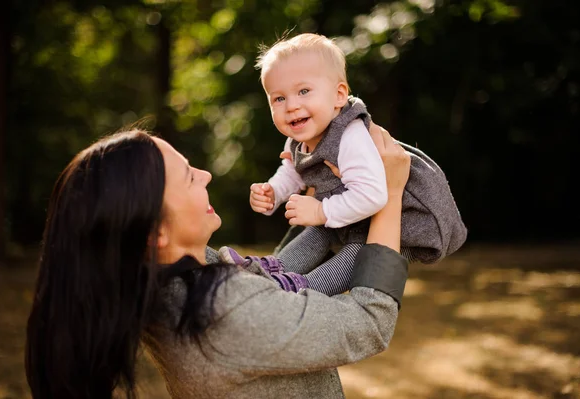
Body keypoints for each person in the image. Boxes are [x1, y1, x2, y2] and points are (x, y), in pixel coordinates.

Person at [25, 123, 412, 399]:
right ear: (153, 234)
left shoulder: (174, 285)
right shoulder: (223, 313)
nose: (206, 175)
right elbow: (368, 322)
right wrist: (390, 196)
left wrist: (329, 206)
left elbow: (274, 281)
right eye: (189, 178)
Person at [220, 33, 467, 296]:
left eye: (303, 91)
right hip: (358, 209)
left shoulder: (350, 137)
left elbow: (373, 195)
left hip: (406, 215)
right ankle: (273, 270)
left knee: (358, 248)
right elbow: (294, 171)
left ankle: (304, 290)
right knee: (321, 230)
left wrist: (320, 211)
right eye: (279, 99)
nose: (291, 106)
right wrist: (273, 191)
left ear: (339, 95)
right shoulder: (299, 138)